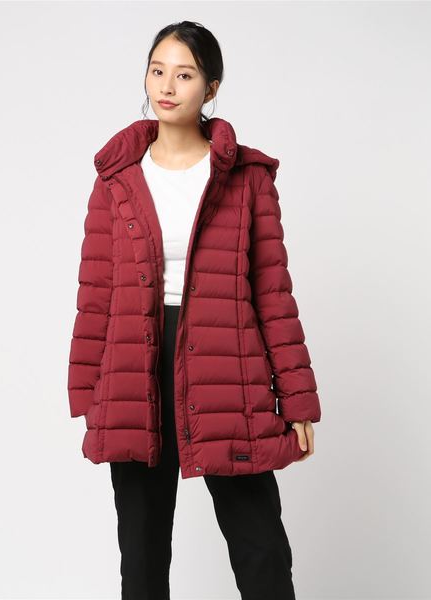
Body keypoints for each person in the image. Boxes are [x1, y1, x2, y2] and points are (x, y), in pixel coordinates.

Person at [67, 20, 321, 600]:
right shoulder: (116, 180)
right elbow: (96, 291)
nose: (167, 86)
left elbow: (273, 292)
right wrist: (89, 391)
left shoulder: (248, 179)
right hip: (136, 364)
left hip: (228, 363)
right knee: (142, 551)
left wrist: (297, 399)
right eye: (157, 71)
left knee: (260, 546)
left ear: (211, 88)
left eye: (184, 75)